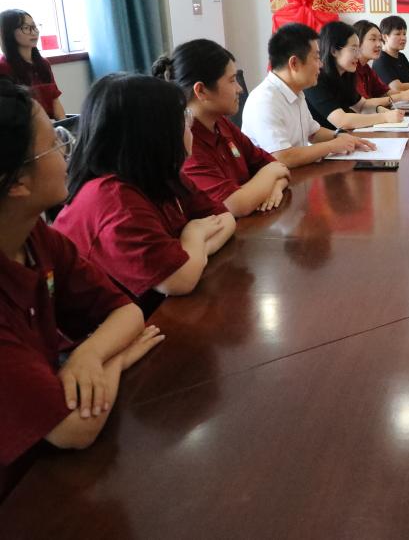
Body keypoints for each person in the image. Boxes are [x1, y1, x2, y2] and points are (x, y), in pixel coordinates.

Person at [0, 78, 164, 497]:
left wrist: (88, 354)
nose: (66, 151)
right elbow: (75, 428)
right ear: (17, 182)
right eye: (54, 144)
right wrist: (116, 357)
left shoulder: (34, 236)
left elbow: (126, 310)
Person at [53, 74, 236, 314]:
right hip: (116, 329)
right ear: (153, 134)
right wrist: (194, 234)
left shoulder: (162, 175)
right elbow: (180, 280)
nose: (190, 126)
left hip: (155, 313)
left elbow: (226, 218)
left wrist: (193, 253)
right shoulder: (114, 199)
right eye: (183, 119)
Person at [153, 39, 292, 217]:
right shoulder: (185, 143)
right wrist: (270, 175)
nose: (240, 88)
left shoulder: (221, 123)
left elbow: (276, 165)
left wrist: (275, 187)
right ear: (201, 90)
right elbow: (234, 205)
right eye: (232, 80)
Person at [241, 23, 376, 167]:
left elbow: (313, 132)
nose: (321, 65)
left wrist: (341, 136)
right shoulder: (265, 100)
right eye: (316, 58)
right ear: (294, 63)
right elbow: (282, 157)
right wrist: (332, 145)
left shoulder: (296, 92)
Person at [306, 21, 409, 131]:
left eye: (358, 49)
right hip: (326, 139)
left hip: (342, 136)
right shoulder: (316, 78)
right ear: (334, 50)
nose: (358, 55)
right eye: (354, 49)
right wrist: (385, 117)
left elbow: (362, 106)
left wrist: (385, 112)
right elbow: (342, 121)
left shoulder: (346, 74)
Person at [0, 9, 66, 120]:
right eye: (26, 28)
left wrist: (63, 125)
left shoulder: (43, 64)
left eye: (34, 26)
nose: (34, 32)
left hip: (49, 125)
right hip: (22, 127)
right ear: (9, 32)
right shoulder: (3, 67)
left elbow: (55, 101)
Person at [352, 19, 409, 100]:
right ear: (357, 41)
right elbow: (364, 104)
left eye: (380, 40)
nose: (379, 44)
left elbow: (384, 92)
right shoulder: (352, 69)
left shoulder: (366, 68)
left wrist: (405, 94)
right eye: (373, 39)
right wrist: (401, 96)